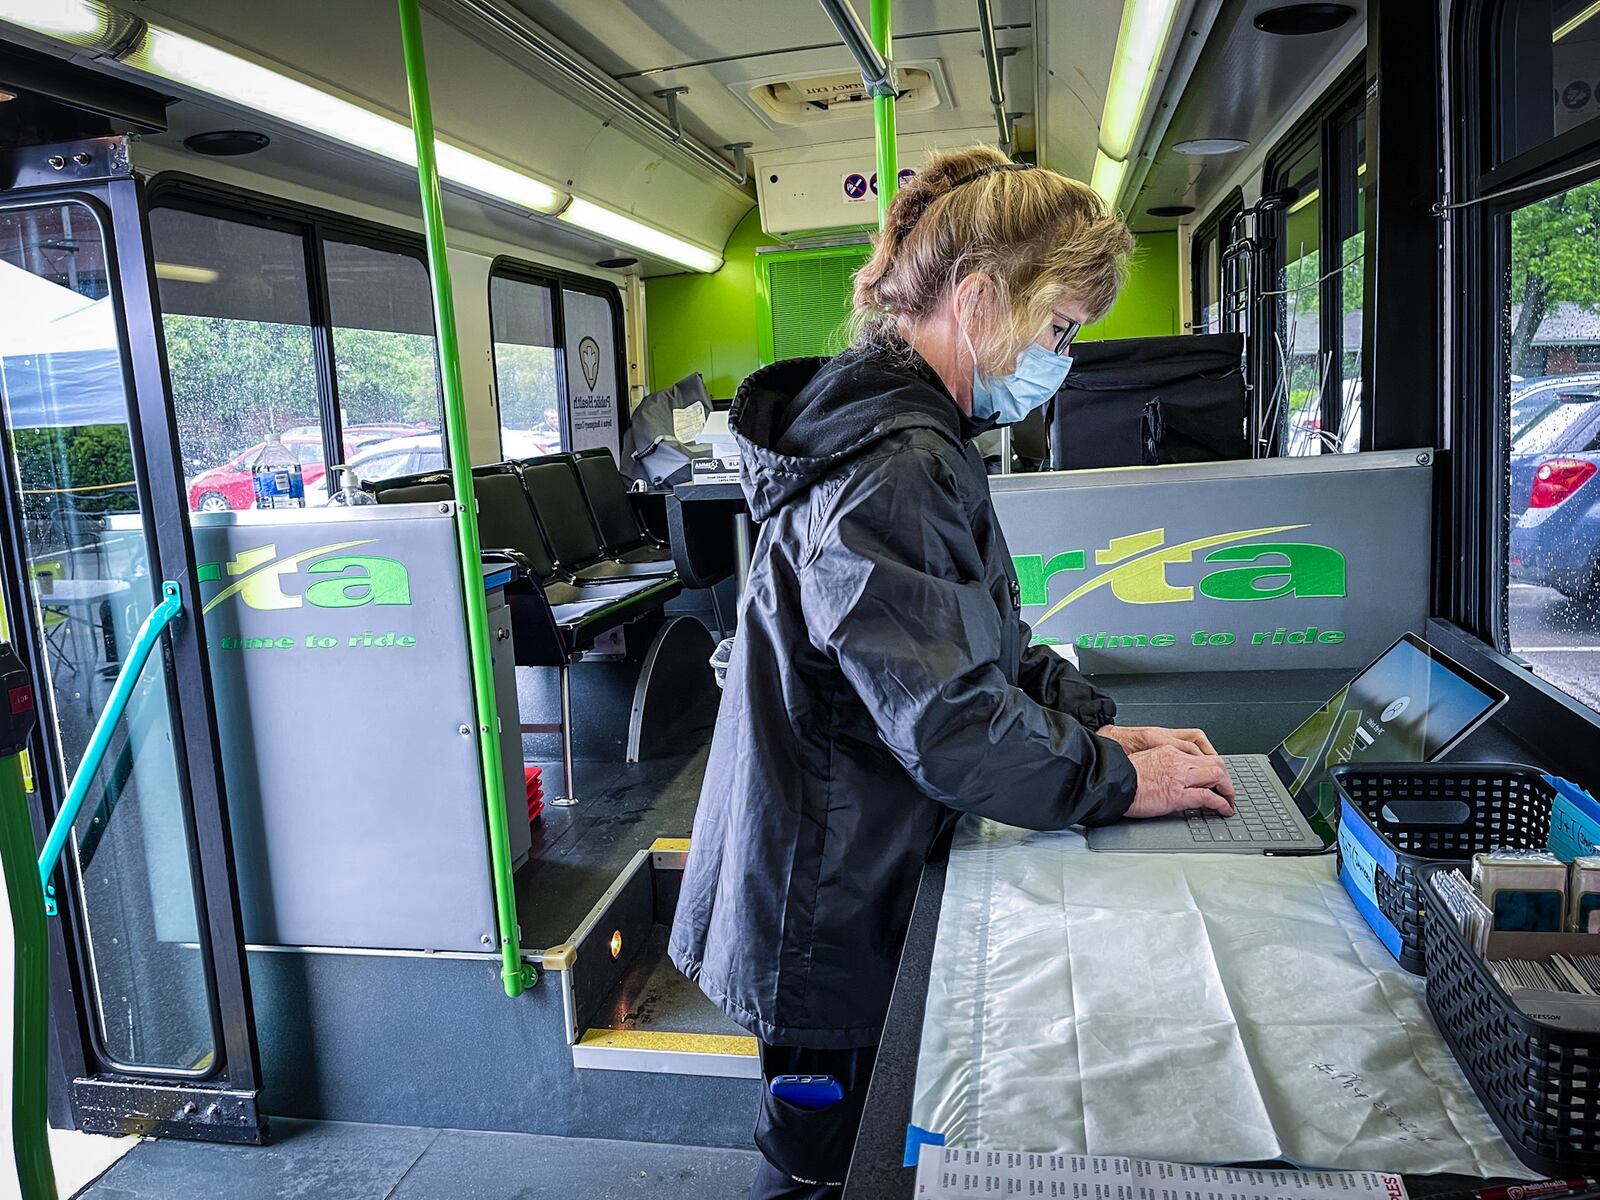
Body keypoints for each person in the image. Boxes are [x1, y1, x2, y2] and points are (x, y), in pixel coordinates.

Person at [669, 146, 1238, 1200]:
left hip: (839, 857)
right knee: (822, 1171)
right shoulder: (895, 461)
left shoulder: (911, 433)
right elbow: (949, 722)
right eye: (1060, 329)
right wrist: (1114, 781)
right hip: (825, 900)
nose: (1061, 360)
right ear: (978, 299)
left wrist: (1098, 729)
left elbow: (975, 637)